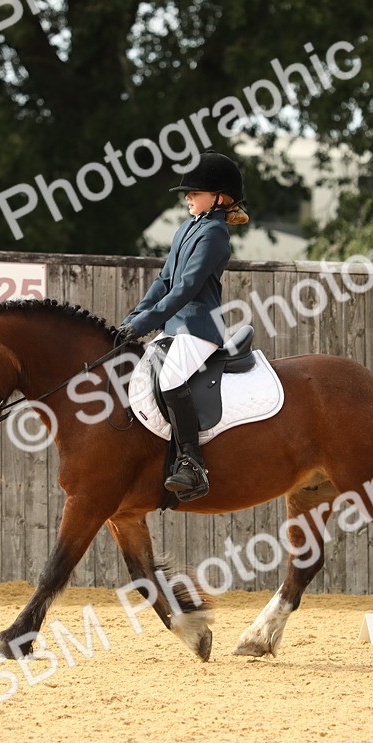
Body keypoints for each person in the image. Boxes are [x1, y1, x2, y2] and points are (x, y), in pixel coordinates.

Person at [118, 150, 249, 500]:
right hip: (173, 329)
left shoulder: (215, 234)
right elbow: (163, 280)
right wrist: (133, 319)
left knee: (172, 377)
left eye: (194, 192)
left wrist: (147, 321)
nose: (188, 197)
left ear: (219, 198)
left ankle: (192, 461)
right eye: (188, 193)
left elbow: (187, 287)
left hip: (197, 329)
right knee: (142, 375)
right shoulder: (187, 229)